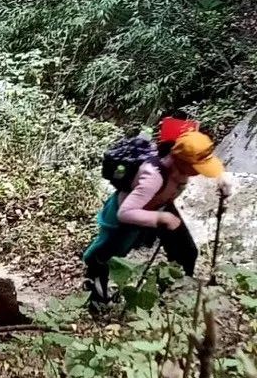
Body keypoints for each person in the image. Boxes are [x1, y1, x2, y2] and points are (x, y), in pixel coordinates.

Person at [83, 129, 231, 306]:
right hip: (124, 217)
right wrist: (163, 218)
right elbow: (125, 213)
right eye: (196, 168)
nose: (199, 172)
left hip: (159, 207)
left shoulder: (180, 168)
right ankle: (96, 300)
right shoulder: (153, 176)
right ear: (179, 161)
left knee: (187, 252)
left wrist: (221, 180)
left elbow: (206, 164)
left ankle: (171, 295)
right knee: (104, 259)